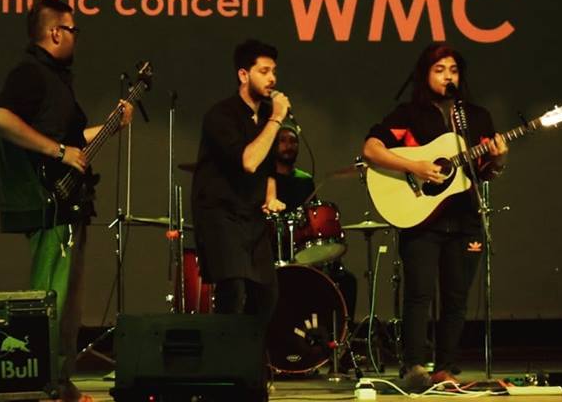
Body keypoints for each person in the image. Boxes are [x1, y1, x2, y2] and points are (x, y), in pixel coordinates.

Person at [0, 0, 133, 402]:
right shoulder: (31, 73)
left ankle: (58, 384)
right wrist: (58, 151)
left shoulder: (54, 79)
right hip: (46, 202)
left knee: (65, 304)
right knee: (51, 299)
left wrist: (110, 127)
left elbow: (71, 142)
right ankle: (45, 386)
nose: (76, 37)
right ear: (55, 32)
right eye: (73, 29)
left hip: (64, 203)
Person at [361, 42, 508, 390]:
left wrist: (499, 158)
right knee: (419, 294)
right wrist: (415, 166)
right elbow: (371, 149)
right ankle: (414, 366)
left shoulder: (477, 117)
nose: (447, 77)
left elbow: (484, 172)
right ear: (425, 74)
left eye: (453, 70)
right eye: (439, 70)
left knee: (456, 298)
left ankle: (445, 368)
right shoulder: (408, 114)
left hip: (465, 218)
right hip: (422, 221)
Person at [191, 39, 288, 324]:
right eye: (264, 71)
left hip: (251, 217)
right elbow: (249, 161)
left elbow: (268, 167)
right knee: (233, 291)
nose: (272, 79)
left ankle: (254, 352)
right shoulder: (221, 115)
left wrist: (271, 196)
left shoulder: (265, 118)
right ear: (244, 75)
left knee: (268, 295)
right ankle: (224, 352)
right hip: (221, 214)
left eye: (274, 71)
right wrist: (278, 118)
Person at [272, 123, 358, 323]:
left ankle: (340, 334)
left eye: (293, 141)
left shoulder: (304, 180)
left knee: (347, 281)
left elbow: (313, 218)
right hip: (275, 250)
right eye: (283, 141)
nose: (288, 145)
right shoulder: (265, 179)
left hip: (302, 248)